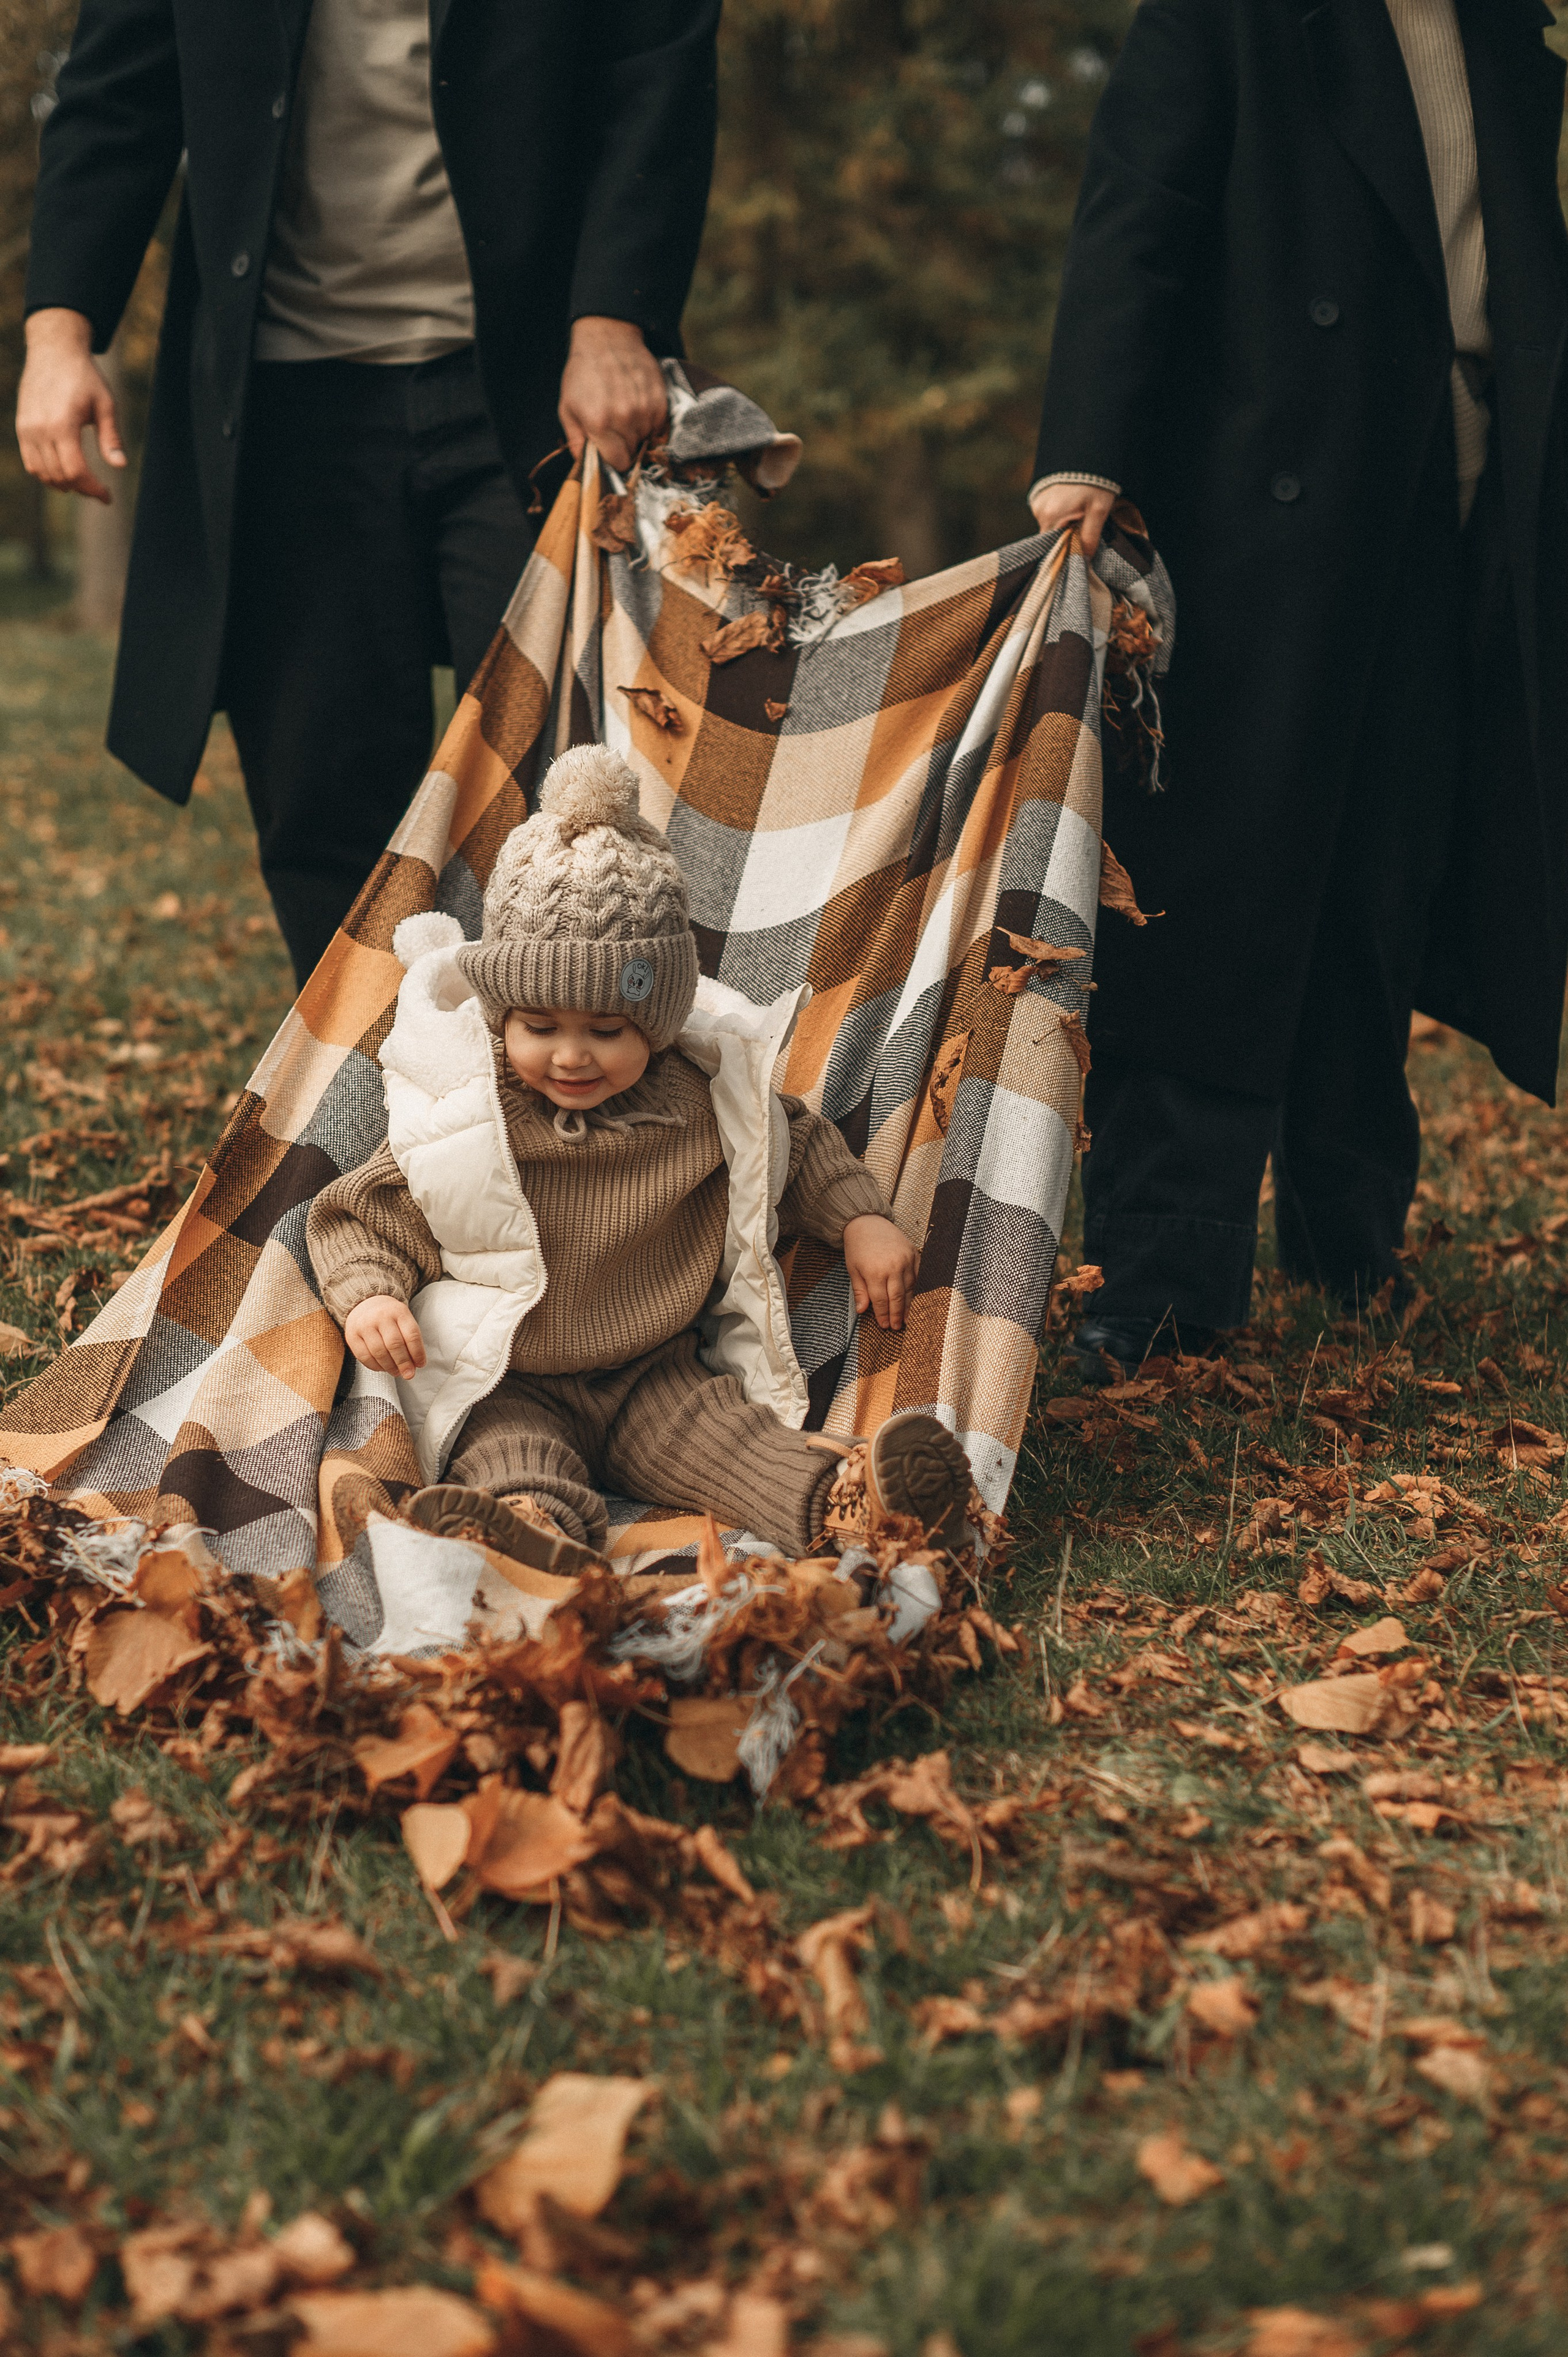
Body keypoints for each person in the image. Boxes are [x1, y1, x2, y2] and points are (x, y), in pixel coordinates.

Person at [1028, 0, 1568, 1377]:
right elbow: (1135, 207)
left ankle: (1349, 1245)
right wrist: (1085, 449)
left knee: (1376, 890)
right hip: (1264, 509)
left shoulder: (1509, 30)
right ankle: (1158, 1280)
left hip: (1456, 522)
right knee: (1213, 891)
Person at [17, 0, 720, 987]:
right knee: (325, 796)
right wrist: (60, 334)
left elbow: (656, 62)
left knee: (577, 784)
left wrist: (616, 318)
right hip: (285, 409)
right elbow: (112, 98)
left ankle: (576, 1111)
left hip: (529, 393)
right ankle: (367, 1116)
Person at [304, 745, 976, 1574]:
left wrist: (862, 1219)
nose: (571, 1056)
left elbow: (791, 1148)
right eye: (539, 1027)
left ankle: (856, 1501)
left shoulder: (700, 1101)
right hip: (511, 1372)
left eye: (607, 1030)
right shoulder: (469, 1109)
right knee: (512, 1452)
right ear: (499, 1014)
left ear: (657, 1021)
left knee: (734, 1441)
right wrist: (370, 1293)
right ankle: (526, 1534)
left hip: (653, 1370)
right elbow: (365, 1208)